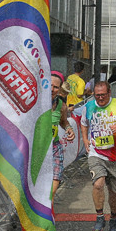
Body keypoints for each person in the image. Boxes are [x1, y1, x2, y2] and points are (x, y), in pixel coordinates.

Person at [78, 80, 116, 231]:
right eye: (97, 95)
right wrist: (85, 140)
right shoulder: (89, 106)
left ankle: (113, 217)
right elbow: (83, 123)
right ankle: (99, 216)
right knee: (98, 184)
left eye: (103, 95)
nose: (100, 98)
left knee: (114, 192)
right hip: (96, 153)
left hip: (115, 155)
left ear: (109, 93)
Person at [50, 71, 76, 200]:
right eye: (49, 85)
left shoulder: (61, 105)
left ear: (60, 89)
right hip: (37, 149)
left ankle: (48, 214)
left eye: (55, 87)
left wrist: (69, 129)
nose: (52, 89)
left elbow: (63, 122)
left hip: (54, 147)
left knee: (54, 185)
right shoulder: (36, 103)